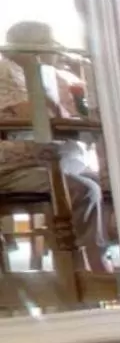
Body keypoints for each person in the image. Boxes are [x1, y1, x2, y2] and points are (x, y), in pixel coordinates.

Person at [0, 21, 108, 271]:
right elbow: (31, 115)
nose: (57, 51)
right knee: (84, 188)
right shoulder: (7, 70)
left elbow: (65, 113)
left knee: (103, 184)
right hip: (13, 164)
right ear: (33, 47)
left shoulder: (38, 73)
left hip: (40, 159)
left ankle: (91, 262)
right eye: (51, 45)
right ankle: (81, 266)